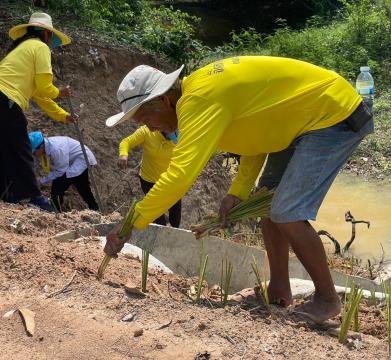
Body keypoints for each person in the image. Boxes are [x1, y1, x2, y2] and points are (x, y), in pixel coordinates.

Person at [104, 56, 374, 324]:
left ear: (164, 100)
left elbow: (180, 176)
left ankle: (327, 299)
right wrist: (239, 192)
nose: (150, 127)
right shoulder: (200, 92)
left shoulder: (198, 101)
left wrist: (133, 222)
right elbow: (255, 138)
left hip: (331, 113)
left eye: (146, 118)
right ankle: (280, 289)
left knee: (286, 211)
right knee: (267, 203)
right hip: (298, 121)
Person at [0, 12, 77, 209]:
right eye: (51, 37)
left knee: (5, 148)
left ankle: (7, 195)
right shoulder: (41, 47)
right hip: (6, 99)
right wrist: (60, 92)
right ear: (46, 34)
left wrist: (63, 116)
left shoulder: (22, 49)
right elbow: (45, 88)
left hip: (4, 97)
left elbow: (40, 96)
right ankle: (35, 197)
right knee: (21, 148)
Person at [118, 126, 182, 227]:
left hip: (171, 181)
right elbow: (126, 142)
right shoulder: (147, 131)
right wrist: (123, 155)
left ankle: (174, 235)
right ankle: (161, 234)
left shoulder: (181, 134)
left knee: (175, 213)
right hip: (150, 181)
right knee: (157, 216)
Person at [29, 131, 99, 212]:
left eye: (34, 152)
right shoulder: (44, 147)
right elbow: (35, 162)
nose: (33, 154)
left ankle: (55, 211)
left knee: (58, 185)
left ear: (41, 146)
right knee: (82, 187)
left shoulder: (56, 149)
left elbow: (60, 171)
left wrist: (41, 181)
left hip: (82, 159)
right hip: (71, 159)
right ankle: (95, 208)